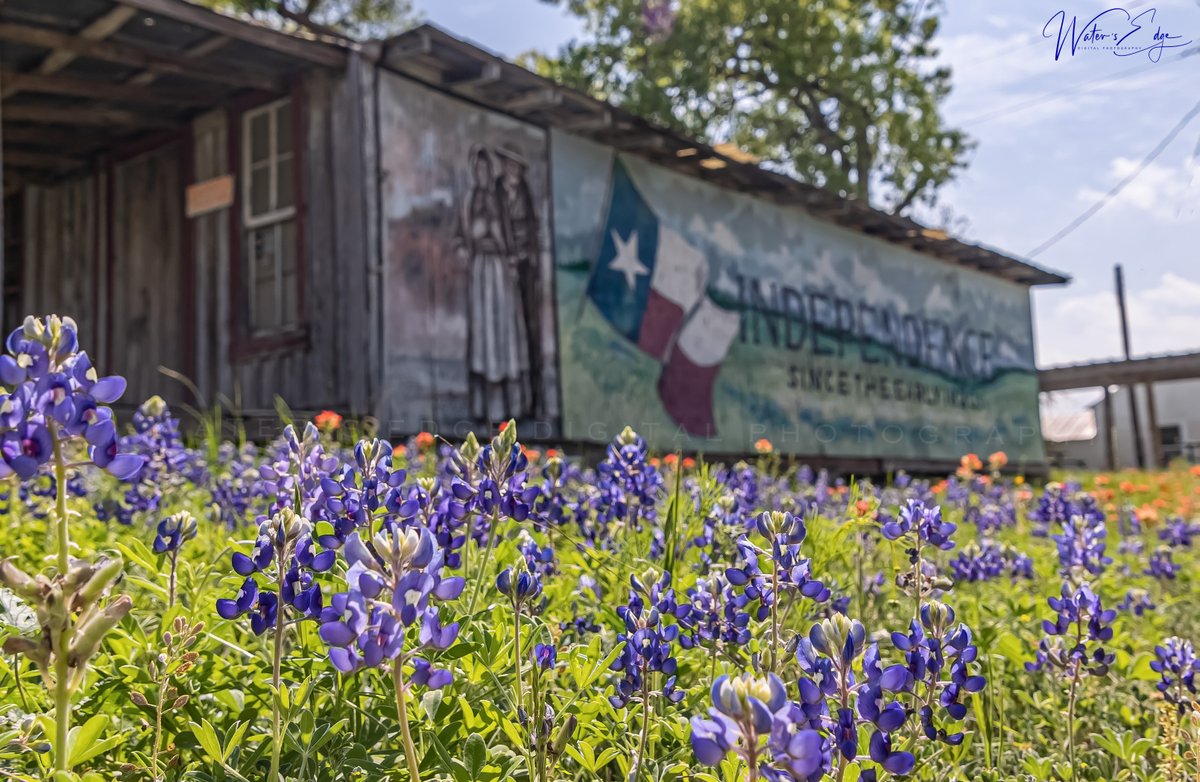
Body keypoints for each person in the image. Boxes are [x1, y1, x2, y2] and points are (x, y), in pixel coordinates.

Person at [458, 145, 532, 422]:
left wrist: (514, 259)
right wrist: (464, 250)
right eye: (478, 170)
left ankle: (513, 409)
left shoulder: (501, 200)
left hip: (501, 271)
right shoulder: (468, 201)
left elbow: (515, 232)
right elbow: (459, 236)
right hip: (480, 272)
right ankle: (483, 409)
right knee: (483, 339)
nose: (482, 175)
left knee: (508, 338)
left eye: (486, 170)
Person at [495, 143, 543, 419]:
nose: (509, 169)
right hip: (504, 270)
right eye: (506, 163)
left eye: (514, 165)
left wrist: (525, 257)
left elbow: (532, 232)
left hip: (525, 269)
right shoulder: (497, 192)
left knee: (530, 331)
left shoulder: (525, 193)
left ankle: (532, 400)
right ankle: (506, 404)